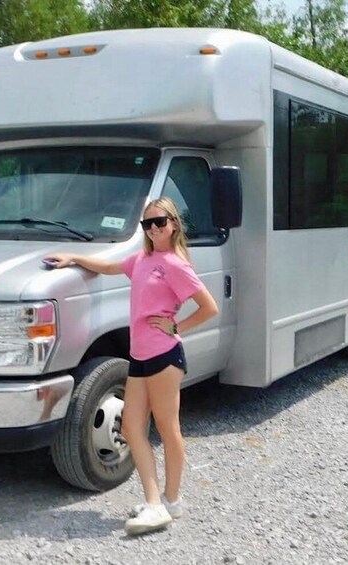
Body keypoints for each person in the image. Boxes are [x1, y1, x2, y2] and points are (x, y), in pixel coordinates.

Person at [46, 196, 219, 535]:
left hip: (164, 356)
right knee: (130, 429)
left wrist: (176, 327)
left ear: (173, 224)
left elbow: (209, 307)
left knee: (168, 429)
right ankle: (158, 502)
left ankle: (167, 501)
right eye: (148, 224)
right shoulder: (143, 259)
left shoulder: (175, 264)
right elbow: (109, 267)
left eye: (160, 222)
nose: (154, 229)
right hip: (139, 356)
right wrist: (73, 259)